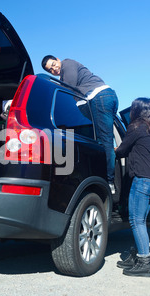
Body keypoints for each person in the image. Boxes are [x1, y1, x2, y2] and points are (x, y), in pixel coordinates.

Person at [42, 55, 118, 193]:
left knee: (105, 141)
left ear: (58, 59)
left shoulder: (67, 64)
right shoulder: (64, 71)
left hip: (99, 96)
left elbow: (68, 86)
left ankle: (109, 182)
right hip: (101, 98)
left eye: (53, 64)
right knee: (101, 139)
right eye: (50, 70)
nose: (54, 69)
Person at [115, 98, 150, 277]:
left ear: (136, 110)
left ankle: (144, 263)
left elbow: (122, 150)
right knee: (141, 221)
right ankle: (136, 256)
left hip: (143, 180)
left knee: (136, 222)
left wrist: (114, 149)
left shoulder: (136, 127)